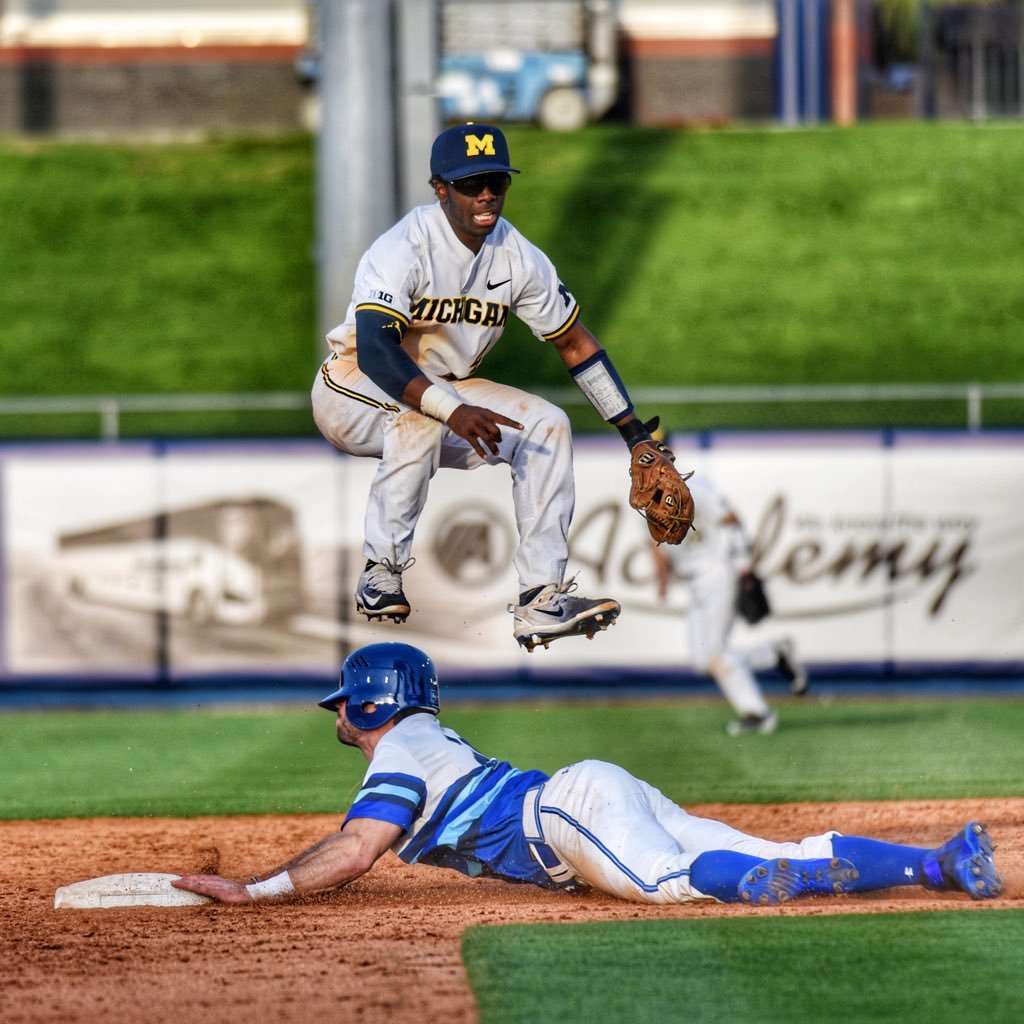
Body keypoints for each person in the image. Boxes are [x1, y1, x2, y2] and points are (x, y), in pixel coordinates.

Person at [173, 642, 1003, 908]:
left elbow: (357, 852)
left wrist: (257, 892)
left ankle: (779, 878)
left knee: (678, 883)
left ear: (369, 703)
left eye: (344, 704)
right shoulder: (424, 737)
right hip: (590, 795)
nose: (339, 716)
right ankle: (939, 862)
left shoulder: (397, 752)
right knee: (761, 844)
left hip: (567, 818)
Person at [310, 122, 665, 651]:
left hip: (446, 388)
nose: (485, 194)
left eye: (495, 181)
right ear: (440, 189)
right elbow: (381, 351)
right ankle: (381, 570)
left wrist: (634, 433)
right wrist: (450, 410)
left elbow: (574, 344)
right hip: (353, 383)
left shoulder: (517, 255)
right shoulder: (405, 246)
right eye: (470, 182)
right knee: (422, 415)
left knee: (547, 425)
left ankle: (539, 598)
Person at [649, 466, 808, 736]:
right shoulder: (643, 496)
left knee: (714, 654)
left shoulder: (695, 487)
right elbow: (653, 544)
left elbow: (731, 520)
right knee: (702, 660)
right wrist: (662, 578)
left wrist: (744, 565)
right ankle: (774, 653)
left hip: (717, 574)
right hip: (695, 581)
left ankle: (757, 713)